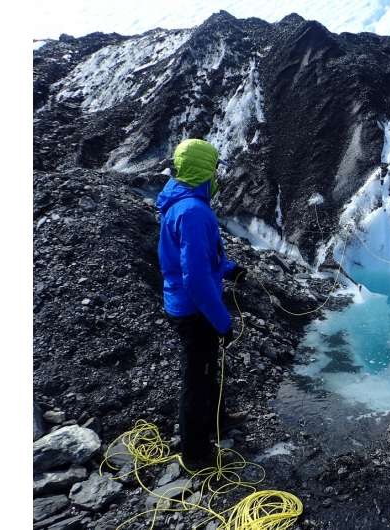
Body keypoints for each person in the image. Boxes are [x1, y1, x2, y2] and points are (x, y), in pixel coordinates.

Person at [156, 138, 247, 468]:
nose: (217, 175)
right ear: (203, 170)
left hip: (186, 303)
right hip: (194, 310)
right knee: (197, 377)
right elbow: (195, 277)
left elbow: (202, 258)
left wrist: (229, 268)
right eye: (214, 168)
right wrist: (222, 322)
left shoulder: (182, 203)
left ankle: (218, 421)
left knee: (208, 368)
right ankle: (196, 455)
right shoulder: (193, 212)